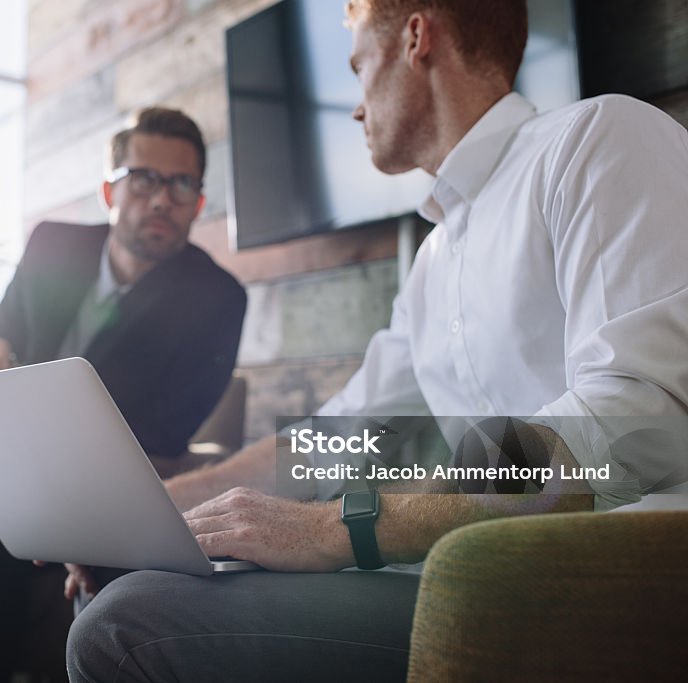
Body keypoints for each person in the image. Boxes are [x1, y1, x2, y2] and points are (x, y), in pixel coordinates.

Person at [65, 1, 688, 681]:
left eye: (360, 66)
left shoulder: (595, 139)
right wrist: (160, 510)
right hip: (459, 571)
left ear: (416, 38)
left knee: (125, 623)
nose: (356, 110)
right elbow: (335, 438)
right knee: (124, 585)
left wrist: (346, 524)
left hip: (586, 583)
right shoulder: (435, 259)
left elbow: (631, 415)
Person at [0, 107, 247, 682]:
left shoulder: (218, 297)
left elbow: (165, 431)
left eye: (182, 184)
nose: (163, 199)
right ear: (110, 189)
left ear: (199, 203)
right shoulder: (54, 246)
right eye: (145, 179)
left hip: (93, 492)